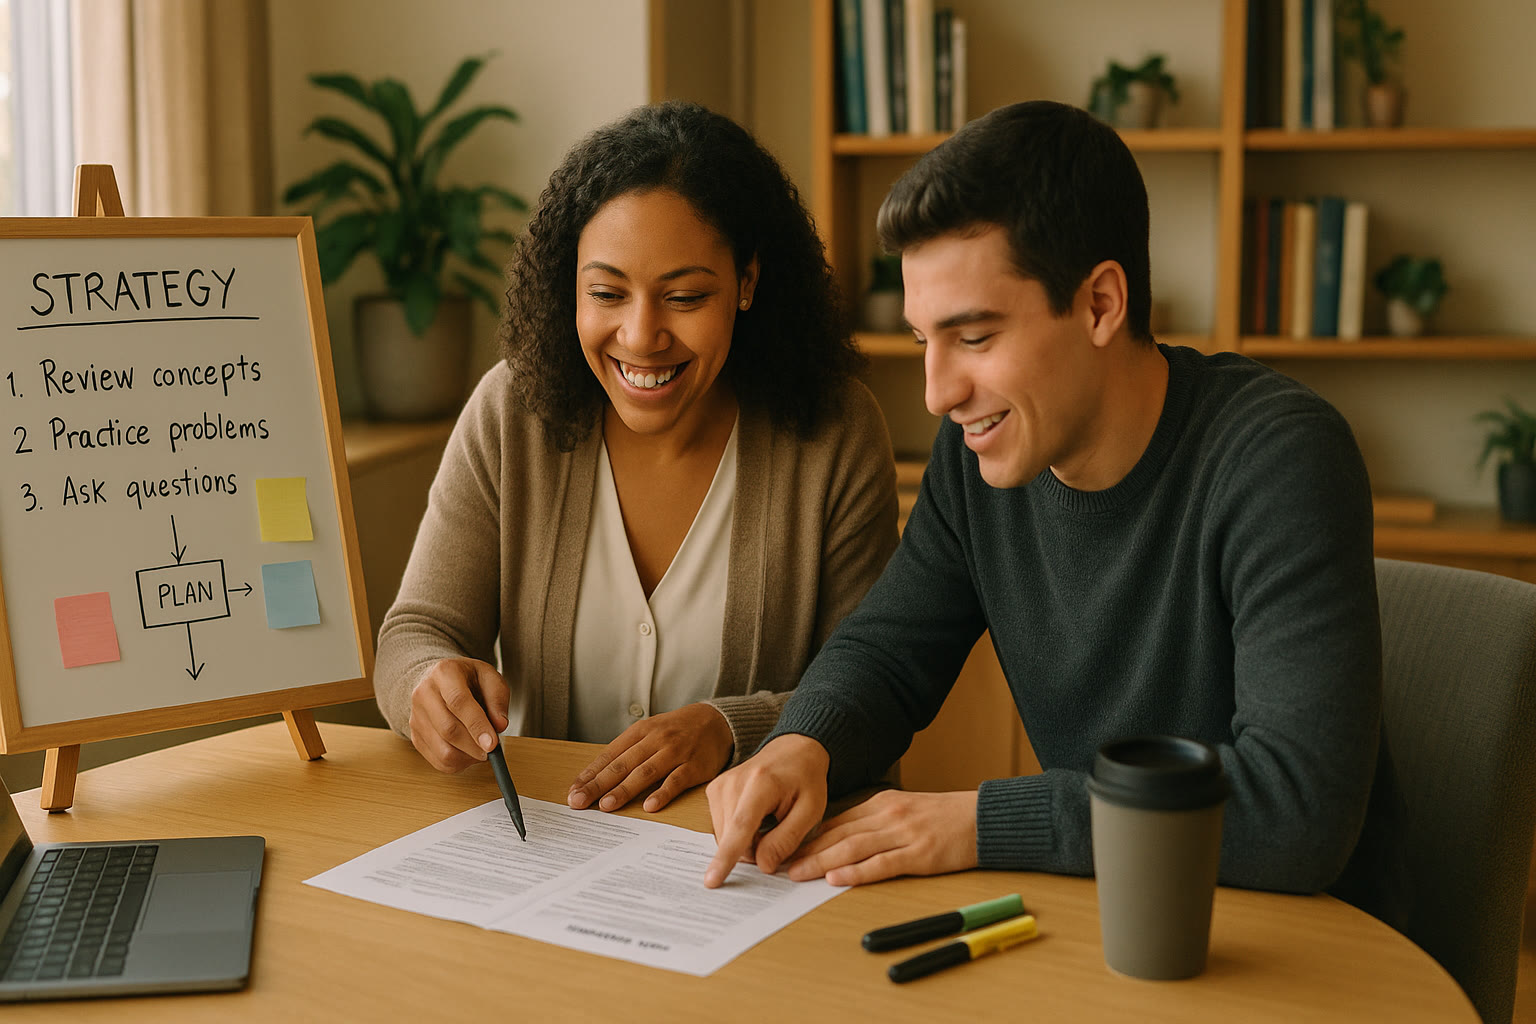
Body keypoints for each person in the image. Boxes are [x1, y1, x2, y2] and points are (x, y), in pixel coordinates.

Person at [704, 100, 1390, 898]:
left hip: (1298, 941)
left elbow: (1294, 811)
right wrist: (803, 743)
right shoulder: (983, 460)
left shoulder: (1279, 459)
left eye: (975, 337)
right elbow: (887, 654)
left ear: (1101, 303)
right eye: (927, 340)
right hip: (1115, 914)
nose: (936, 394)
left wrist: (978, 823)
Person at [374, 102, 898, 815]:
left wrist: (726, 729)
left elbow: (873, 696)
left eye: (684, 296)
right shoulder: (511, 412)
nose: (641, 335)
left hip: (752, 863)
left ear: (746, 282)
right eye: (606, 293)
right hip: (549, 852)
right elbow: (414, 632)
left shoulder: (832, 431)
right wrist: (425, 686)